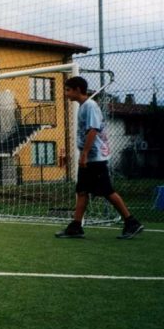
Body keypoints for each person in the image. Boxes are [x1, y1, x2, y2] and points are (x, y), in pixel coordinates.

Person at [56, 76, 144, 239]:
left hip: (95, 158)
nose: (65, 93)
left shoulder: (90, 105)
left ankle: (131, 222)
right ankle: (76, 226)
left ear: (77, 89)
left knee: (107, 191)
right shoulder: (83, 107)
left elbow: (93, 131)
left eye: (68, 90)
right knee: (82, 191)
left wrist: (84, 154)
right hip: (89, 158)